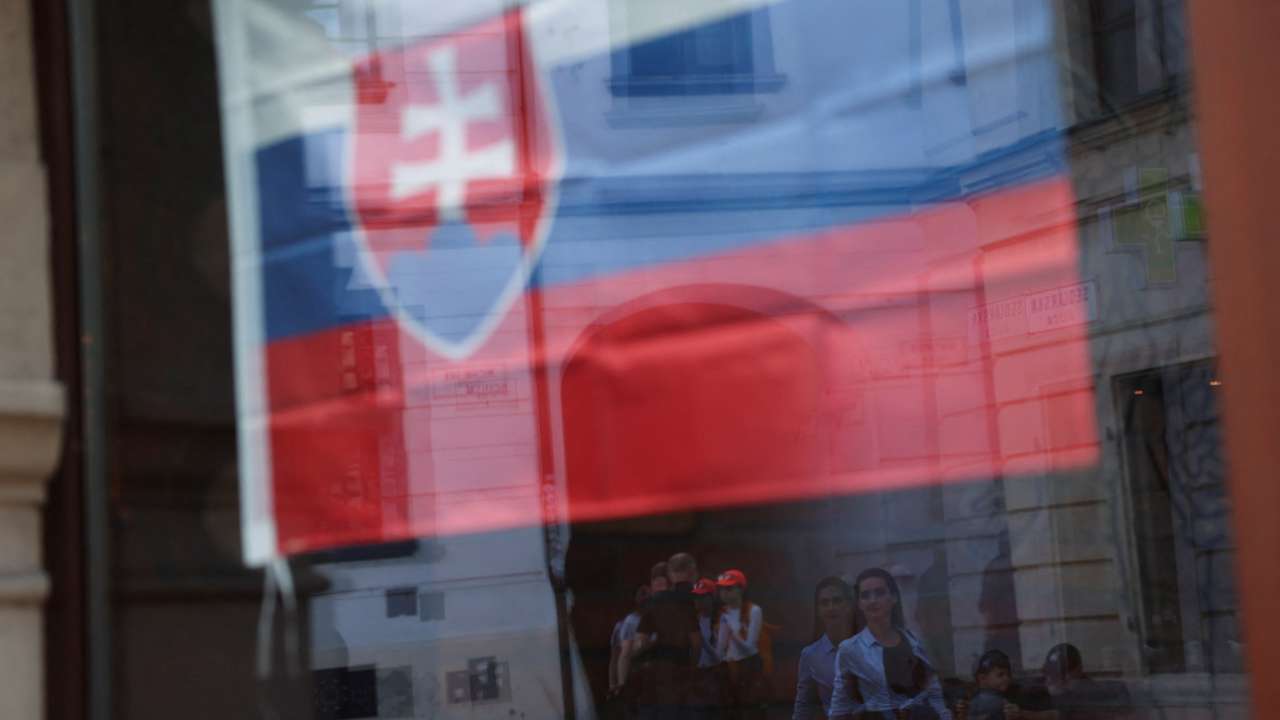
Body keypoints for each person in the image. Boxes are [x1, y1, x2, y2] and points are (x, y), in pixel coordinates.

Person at [830, 567, 952, 719]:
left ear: (893, 597)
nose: (873, 600)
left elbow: (934, 692)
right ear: (859, 603)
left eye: (879, 593)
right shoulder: (849, 649)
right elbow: (840, 705)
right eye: (865, 595)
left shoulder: (915, 640)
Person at [630, 553, 702, 719]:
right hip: (679, 670)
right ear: (693, 572)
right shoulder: (690, 601)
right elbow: (696, 643)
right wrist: (693, 666)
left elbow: (638, 644)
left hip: (655, 673)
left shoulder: (654, 601)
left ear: (670, 575)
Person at [793, 576, 860, 720]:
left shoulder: (865, 645)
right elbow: (803, 704)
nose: (831, 608)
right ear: (818, 610)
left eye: (837, 601)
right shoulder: (811, 655)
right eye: (825, 603)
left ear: (848, 605)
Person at [716, 569, 767, 720]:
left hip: (749, 665)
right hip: (730, 667)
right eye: (722, 589)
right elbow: (720, 647)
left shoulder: (754, 610)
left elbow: (750, 648)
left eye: (729, 588)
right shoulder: (723, 612)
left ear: (741, 589)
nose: (724, 593)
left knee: (751, 711)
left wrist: (733, 633)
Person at [689, 578, 724, 719]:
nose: (698, 601)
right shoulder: (694, 620)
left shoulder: (721, 620)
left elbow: (718, 657)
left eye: (702, 597)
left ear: (711, 598)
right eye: (696, 597)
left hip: (714, 676)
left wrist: (701, 640)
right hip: (696, 675)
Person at [611, 584, 653, 701]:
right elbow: (620, 656)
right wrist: (615, 684)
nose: (646, 598)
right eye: (642, 594)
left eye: (648, 595)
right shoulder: (629, 622)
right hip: (634, 675)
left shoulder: (656, 619)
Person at [958, 650, 1022, 720]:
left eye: (1008, 675)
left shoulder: (974, 700)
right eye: (1000, 675)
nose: (1007, 678)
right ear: (982, 678)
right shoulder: (1000, 702)